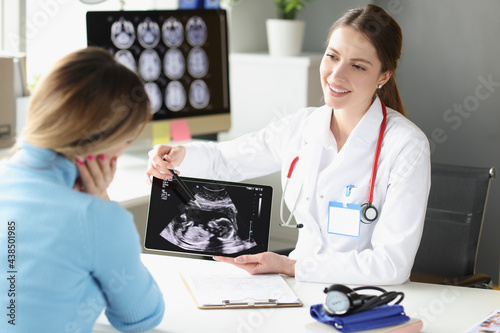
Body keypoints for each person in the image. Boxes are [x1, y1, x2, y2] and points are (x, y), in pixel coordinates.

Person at [145, 4, 431, 285]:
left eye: (357, 66)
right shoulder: (301, 126)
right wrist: (177, 156)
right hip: (297, 289)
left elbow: (392, 265)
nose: (336, 75)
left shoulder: (406, 146)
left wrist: (293, 267)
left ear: (384, 76)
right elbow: (226, 160)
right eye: (332, 56)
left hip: (365, 299)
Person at [0, 47, 164, 332]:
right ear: (102, 139)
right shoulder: (97, 218)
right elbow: (142, 317)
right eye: (127, 140)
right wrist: (101, 201)